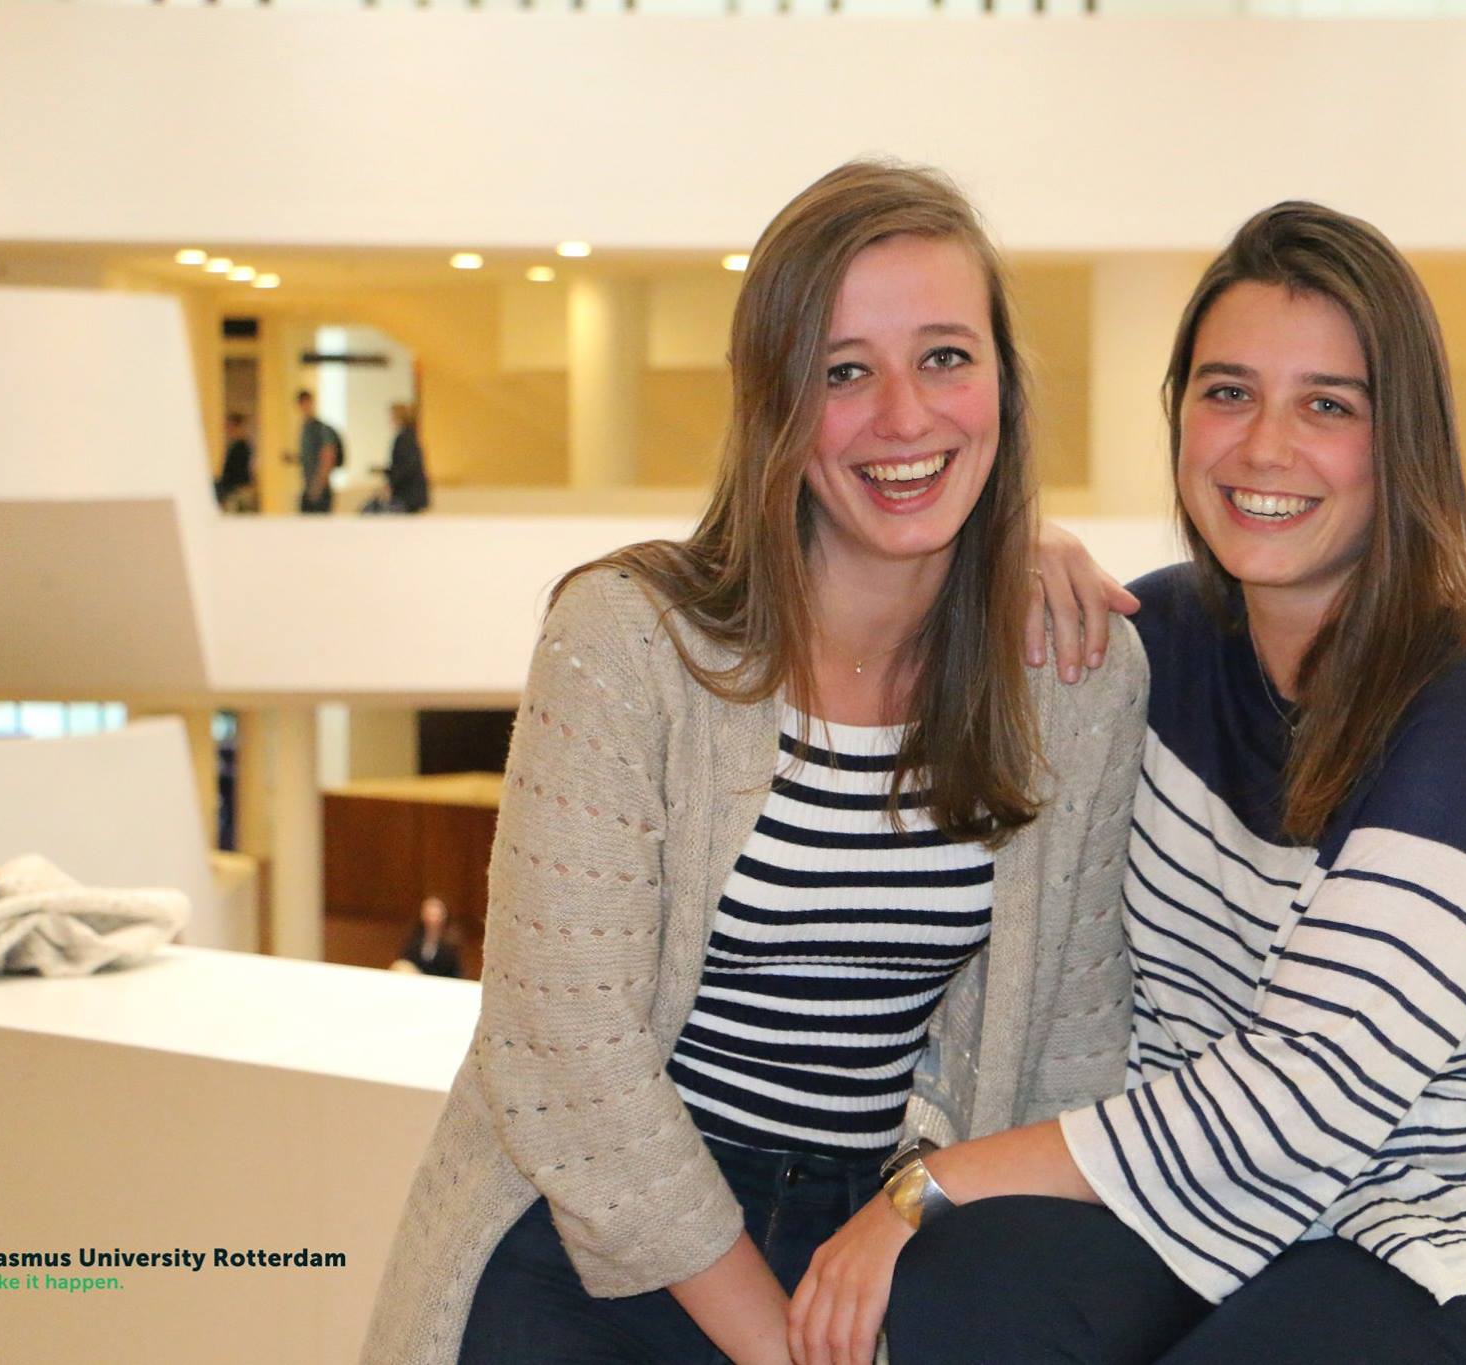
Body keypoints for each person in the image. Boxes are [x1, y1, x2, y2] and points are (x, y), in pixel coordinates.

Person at [792, 202, 1466, 1365]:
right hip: (1217, 1220)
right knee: (963, 1286)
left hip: (1464, 1246)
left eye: (1326, 406)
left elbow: (1302, 1096)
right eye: (1227, 392)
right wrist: (1012, 561)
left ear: (1402, 443)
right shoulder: (1154, 647)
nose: (1262, 449)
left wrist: (929, 1184)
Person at [359, 160, 1146, 1365]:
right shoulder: (629, 640)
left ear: (1002, 380)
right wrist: (773, 1342)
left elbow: (1071, 1056)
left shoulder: (1069, 676)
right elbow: (564, 1049)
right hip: (594, 1238)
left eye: (944, 356)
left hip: (870, 1241)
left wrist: (923, 1224)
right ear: (771, 399)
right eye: (842, 372)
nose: (904, 417)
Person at [294, 388, 340, 514]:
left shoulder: (321, 429)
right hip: (308, 485)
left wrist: (318, 485)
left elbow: (328, 456)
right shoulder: (305, 429)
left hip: (319, 488)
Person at [380, 401, 430, 513]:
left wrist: (391, 481)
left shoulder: (403, 438)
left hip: (407, 493)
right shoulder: (411, 436)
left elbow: (406, 466)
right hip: (412, 492)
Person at [395, 895, 461, 978]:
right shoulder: (412, 938)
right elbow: (404, 960)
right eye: (429, 914)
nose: (432, 919)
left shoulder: (451, 945)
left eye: (436, 915)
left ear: (444, 916)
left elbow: (456, 973)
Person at [214, 411, 257, 512]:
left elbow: (239, 470)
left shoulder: (242, 446)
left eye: (229, 426)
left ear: (236, 426)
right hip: (232, 488)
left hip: (238, 488)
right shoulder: (234, 445)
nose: (226, 429)